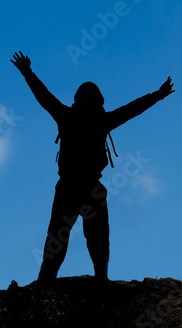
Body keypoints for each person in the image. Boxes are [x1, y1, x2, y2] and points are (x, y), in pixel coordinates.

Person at [10, 51, 173, 284]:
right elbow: (43, 96)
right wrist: (28, 73)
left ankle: (100, 278)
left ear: (97, 98)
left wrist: (157, 95)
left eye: (90, 93)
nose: (87, 96)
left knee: (97, 235)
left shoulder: (98, 120)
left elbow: (132, 109)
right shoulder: (67, 116)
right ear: (78, 97)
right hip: (68, 184)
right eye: (84, 93)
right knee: (58, 235)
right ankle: (47, 279)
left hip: (90, 185)